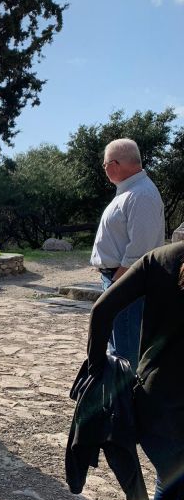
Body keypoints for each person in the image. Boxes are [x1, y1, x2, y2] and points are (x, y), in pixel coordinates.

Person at [87, 242, 184, 500]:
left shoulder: (162, 259)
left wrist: (98, 369)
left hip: (160, 405)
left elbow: (102, 309)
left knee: (171, 481)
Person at [90, 138, 164, 371]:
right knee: (118, 347)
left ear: (114, 164)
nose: (105, 170)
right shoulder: (131, 191)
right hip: (119, 281)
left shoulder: (141, 195)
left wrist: (115, 285)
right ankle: (121, 404)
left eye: (104, 165)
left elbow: (140, 252)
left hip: (125, 284)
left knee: (126, 353)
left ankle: (127, 405)